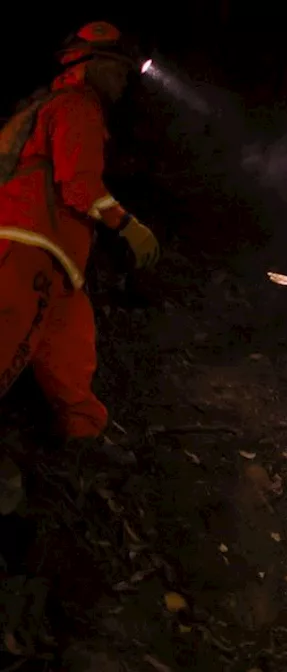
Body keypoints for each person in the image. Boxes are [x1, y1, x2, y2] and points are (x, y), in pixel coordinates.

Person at [0, 21, 160, 464]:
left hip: (53, 258)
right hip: (29, 248)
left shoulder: (52, 105)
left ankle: (84, 437)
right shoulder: (77, 106)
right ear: (94, 66)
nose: (125, 81)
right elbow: (79, 186)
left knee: (71, 349)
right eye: (120, 70)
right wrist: (129, 225)